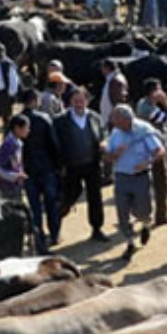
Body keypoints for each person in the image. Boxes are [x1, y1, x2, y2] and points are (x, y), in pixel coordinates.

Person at [106, 105, 163, 260]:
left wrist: (148, 162)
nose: (114, 123)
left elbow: (159, 151)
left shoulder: (144, 131)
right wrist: (113, 154)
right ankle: (130, 242)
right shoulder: (115, 133)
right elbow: (108, 156)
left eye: (116, 120)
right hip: (121, 176)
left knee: (142, 210)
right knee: (122, 212)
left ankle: (145, 224)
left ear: (127, 120)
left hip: (141, 177)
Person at [54, 89, 107, 243]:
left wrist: (104, 142)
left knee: (95, 197)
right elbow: (55, 143)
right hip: (71, 166)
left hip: (92, 164)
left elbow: (103, 133)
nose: (79, 103)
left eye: (82, 100)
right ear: (70, 102)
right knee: (68, 197)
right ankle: (55, 227)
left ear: (87, 101)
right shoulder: (60, 120)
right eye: (75, 100)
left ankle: (97, 228)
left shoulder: (94, 117)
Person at [18, 89, 62, 254]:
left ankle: (39, 238)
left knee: (34, 207)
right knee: (51, 203)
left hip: (27, 169)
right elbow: (54, 144)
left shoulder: (16, 121)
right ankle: (55, 233)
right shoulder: (43, 119)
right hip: (46, 167)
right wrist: (58, 166)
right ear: (35, 100)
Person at [135, 78, 167, 225]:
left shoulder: (143, 104)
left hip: (145, 150)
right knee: (161, 184)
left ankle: (139, 211)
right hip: (155, 151)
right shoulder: (149, 109)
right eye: (159, 89)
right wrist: (166, 103)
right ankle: (161, 215)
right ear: (154, 92)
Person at [0, 114, 30, 201]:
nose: (28, 130)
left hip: (16, 185)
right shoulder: (9, 145)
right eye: (26, 128)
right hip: (9, 187)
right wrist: (14, 176)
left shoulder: (16, 142)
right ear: (17, 128)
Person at [98, 58, 128, 123]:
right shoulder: (111, 79)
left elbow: (118, 100)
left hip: (114, 120)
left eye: (103, 68)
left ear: (107, 68)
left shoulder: (116, 81)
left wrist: (116, 116)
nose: (102, 70)